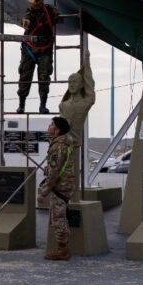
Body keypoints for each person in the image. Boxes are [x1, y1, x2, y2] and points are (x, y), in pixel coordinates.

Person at [39, 115, 76, 261]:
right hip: (64, 185)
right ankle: (62, 248)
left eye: (51, 124)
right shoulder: (63, 143)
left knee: (58, 218)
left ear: (57, 130)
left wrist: (43, 191)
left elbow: (55, 173)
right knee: (59, 217)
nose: (49, 126)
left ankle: (63, 250)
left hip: (59, 187)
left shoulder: (58, 147)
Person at [58, 50, 95, 189]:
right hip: (61, 146)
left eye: (75, 82)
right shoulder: (63, 105)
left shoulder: (85, 103)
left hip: (75, 145)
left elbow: (90, 86)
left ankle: (73, 198)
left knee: (73, 178)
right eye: (69, 82)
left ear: (81, 85)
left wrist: (87, 63)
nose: (71, 84)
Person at [16, 0, 58, 114]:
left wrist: (56, 14)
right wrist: (26, 22)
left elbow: (56, 17)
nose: (35, 4)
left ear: (42, 0)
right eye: (33, 2)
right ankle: (21, 105)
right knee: (25, 76)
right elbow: (26, 18)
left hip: (45, 50)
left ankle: (42, 105)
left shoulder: (49, 10)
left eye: (38, 1)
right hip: (29, 49)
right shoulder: (29, 13)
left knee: (44, 77)